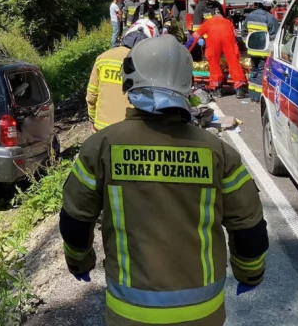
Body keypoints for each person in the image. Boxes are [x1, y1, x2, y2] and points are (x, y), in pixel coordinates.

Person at [60, 36, 268, 326]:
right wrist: (250, 273)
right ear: (186, 85)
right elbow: (248, 226)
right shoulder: (218, 152)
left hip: (130, 313)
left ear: (129, 82)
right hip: (203, 313)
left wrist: (79, 262)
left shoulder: (101, 147)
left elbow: (75, 219)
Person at [199, 13, 249, 99]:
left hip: (213, 42)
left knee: (214, 64)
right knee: (234, 63)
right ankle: (239, 89)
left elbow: (196, 35)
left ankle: (217, 89)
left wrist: (188, 47)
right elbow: (235, 35)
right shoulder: (228, 22)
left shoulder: (208, 22)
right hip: (228, 41)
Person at [242, 0, 279, 102]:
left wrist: (249, 43)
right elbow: (274, 37)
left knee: (254, 71)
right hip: (264, 52)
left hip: (252, 51)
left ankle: (252, 95)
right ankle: (258, 96)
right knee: (261, 73)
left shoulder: (250, 16)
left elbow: (244, 32)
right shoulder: (270, 18)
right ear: (268, 5)